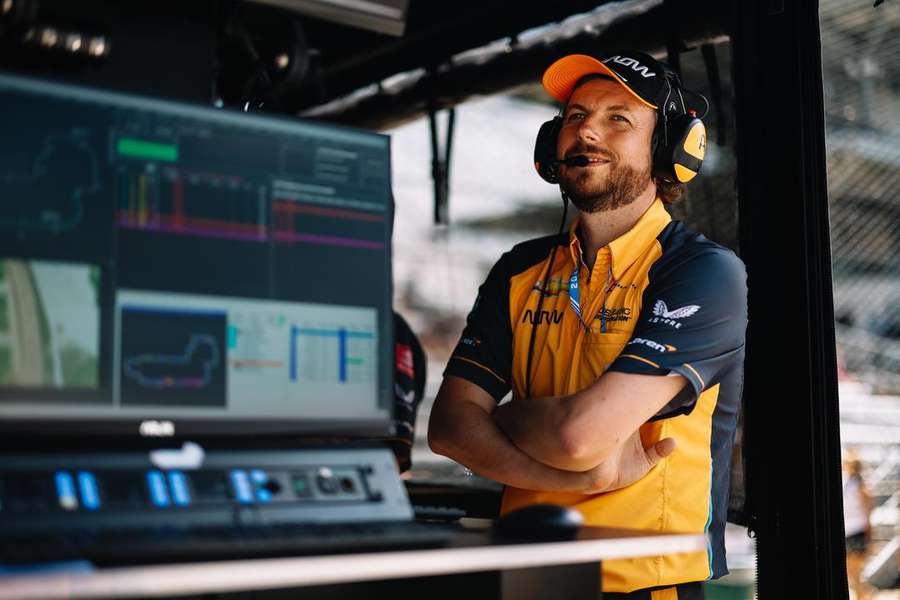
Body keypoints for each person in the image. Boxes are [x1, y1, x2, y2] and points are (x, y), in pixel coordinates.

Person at [428, 50, 748, 599]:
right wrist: (580, 478)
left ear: (670, 149)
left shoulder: (703, 272)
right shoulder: (519, 269)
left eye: (617, 118)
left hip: (643, 587)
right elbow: (450, 429)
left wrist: (501, 421)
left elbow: (578, 437)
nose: (588, 132)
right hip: (527, 580)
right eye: (576, 116)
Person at [843, 450, 873, 600]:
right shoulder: (847, 484)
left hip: (857, 531)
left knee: (854, 573)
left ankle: (865, 596)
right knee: (853, 574)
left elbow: (867, 513)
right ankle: (866, 595)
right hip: (850, 532)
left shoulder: (860, 487)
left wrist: (869, 535)